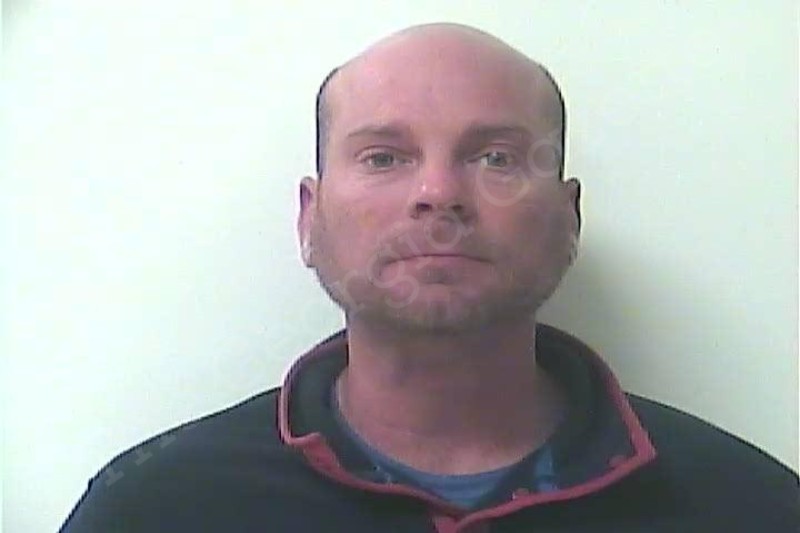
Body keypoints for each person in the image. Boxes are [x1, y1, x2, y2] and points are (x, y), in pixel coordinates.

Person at [60, 23, 798, 532]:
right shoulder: (157, 508)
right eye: (384, 157)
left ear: (567, 217)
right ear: (311, 218)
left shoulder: (749, 506)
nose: (438, 193)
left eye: (496, 158)